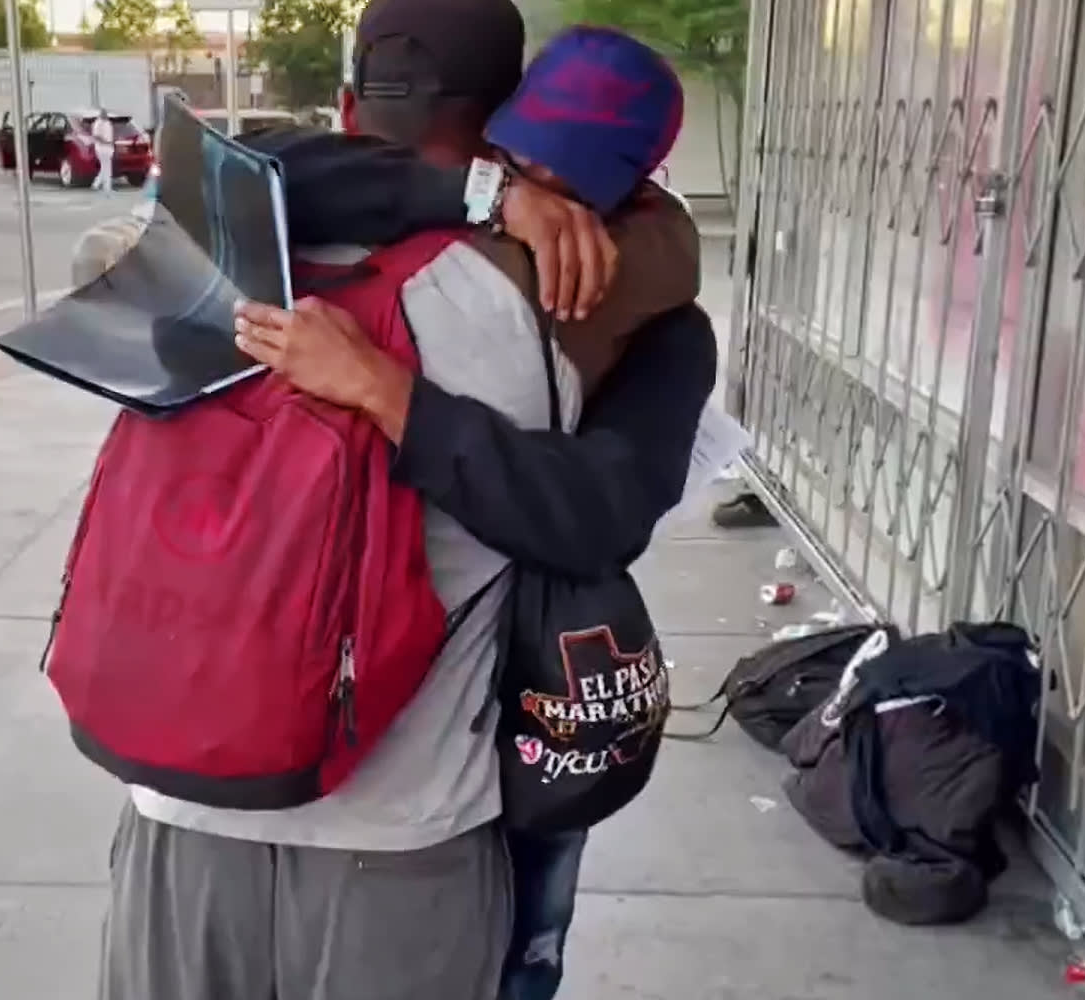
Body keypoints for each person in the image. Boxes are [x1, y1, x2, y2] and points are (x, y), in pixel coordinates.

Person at [92, 6, 709, 1000]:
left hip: (182, 803)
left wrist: (390, 393)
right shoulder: (558, 302)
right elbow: (601, 512)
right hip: (403, 835)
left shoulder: (219, 250)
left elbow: (213, 160)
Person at [91, 107, 115, 192]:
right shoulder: (98, 123)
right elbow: (96, 136)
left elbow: (110, 135)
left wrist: (111, 144)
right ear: (100, 114)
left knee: (105, 168)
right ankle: (107, 187)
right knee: (107, 168)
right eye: (103, 113)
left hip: (109, 147)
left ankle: (96, 184)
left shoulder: (108, 123)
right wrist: (105, 142)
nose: (105, 114)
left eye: (106, 113)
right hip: (102, 148)